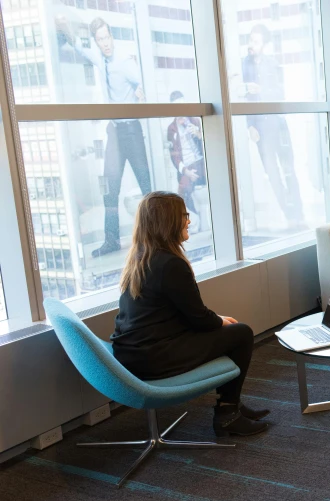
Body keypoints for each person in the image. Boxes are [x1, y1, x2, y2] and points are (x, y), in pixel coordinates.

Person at [111, 192, 269, 436]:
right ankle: (228, 412)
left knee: (228, 329)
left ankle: (232, 404)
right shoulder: (170, 264)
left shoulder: (140, 257)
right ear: (169, 221)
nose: (189, 221)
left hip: (133, 353)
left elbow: (174, 314)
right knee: (241, 333)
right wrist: (218, 321)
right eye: (184, 215)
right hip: (154, 357)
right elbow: (198, 319)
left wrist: (216, 320)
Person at [55, 16, 151, 258]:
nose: (105, 43)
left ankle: (155, 238)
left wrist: (141, 92)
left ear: (112, 37)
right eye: (100, 39)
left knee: (146, 186)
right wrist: (64, 29)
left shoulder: (125, 62)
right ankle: (111, 240)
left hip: (132, 129)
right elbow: (79, 48)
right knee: (110, 189)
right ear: (96, 41)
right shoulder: (100, 58)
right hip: (115, 131)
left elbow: (145, 85)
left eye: (107, 37)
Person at [241, 24, 305, 230]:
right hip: (260, 125)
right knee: (273, 174)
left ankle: (299, 213)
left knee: (288, 170)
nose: (252, 44)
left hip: (277, 124)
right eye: (251, 40)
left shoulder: (272, 64)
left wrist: (262, 89)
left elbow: (281, 93)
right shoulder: (245, 65)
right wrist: (250, 124)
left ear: (265, 44)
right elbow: (244, 98)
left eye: (256, 41)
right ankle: (289, 215)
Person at [167, 91, 206, 224]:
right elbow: (174, 156)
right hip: (187, 165)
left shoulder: (195, 120)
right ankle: (195, 220)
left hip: (201, 162)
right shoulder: (172, 129)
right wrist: (186, 172)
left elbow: (210, 143)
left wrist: (199, 134)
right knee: (182, 194)